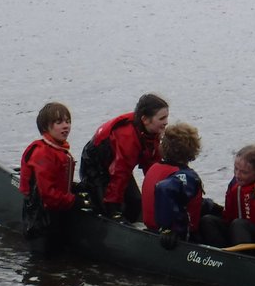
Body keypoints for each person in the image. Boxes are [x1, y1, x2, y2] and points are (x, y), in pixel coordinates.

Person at [79, 93, 169, 222]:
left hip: (117, 165)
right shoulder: (128, 137)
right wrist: (113, 208)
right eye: (162, 118)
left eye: (166, 117)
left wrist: (163, 191)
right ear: (145, 119)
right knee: (109, 207)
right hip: (95, 166)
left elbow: (152, 165)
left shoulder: (151, 131)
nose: (166, 122)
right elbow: (120, 173)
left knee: (136, 202)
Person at [18, 101, 82, 253]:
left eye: (68, 121)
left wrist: (75, 188)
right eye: (59, 122)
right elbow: (48, 194)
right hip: (42, 217)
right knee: (47, 256)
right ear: (46, 127)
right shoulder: (44, 154)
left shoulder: (57, 150)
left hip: (54, 211)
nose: (66, 126)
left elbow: (57, 182)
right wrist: (74, 201)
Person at [141, 122, 205, 246]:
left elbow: (182, 198)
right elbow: (165, 189)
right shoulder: (187, 176)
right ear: (193, 150)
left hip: (151, 228)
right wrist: (168, 229)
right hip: (177, 237)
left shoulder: (154, 167)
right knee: (208, 223)